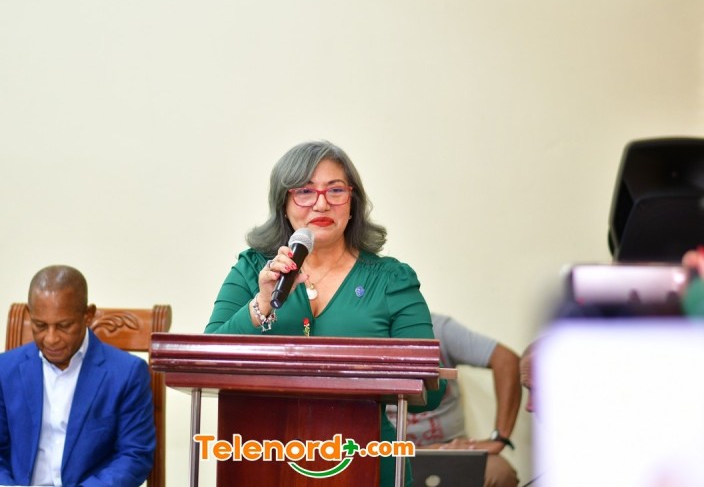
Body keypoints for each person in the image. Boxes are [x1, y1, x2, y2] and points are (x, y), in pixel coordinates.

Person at [204, 140, 446, 486]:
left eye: (335, 190)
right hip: (263, 461)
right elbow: (207, 362)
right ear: (283, 203)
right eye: (304, 191)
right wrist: (261, 304)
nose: (321, 203)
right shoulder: (253, 270)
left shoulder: (392, 280)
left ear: (353, 202)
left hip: (366, 463)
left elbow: (430, 392)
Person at [0, 265, 155, 487]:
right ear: (29, 315)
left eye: (64, 326)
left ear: (88, 315)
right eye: (40, 325)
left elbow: (134, 456)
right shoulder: (4, 369)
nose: (51, 339)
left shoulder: (127, 373)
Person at [386, 313, 521, 487]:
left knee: (499, 473)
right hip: (386, 452)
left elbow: (506, 360)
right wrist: (420, 451)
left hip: (451, 449)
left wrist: (499, 438)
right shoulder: (360, 333)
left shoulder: (438, 329)